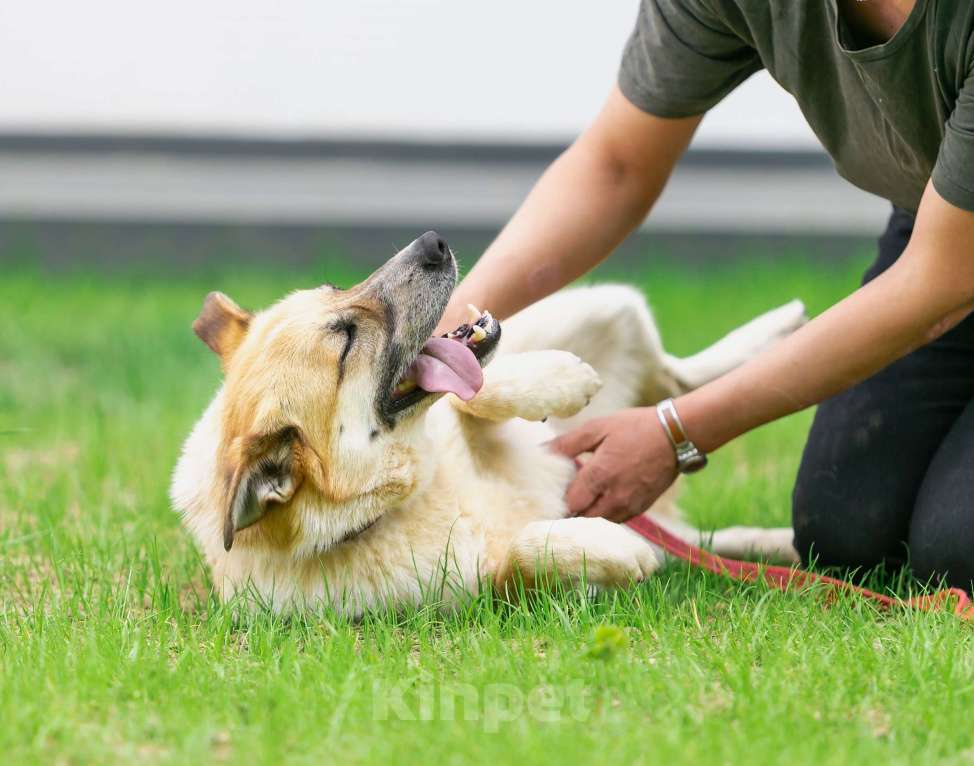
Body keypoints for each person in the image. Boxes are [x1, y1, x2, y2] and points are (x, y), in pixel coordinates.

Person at [434, 0, 974, 590]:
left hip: (947, 260)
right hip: (947, 223)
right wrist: (442, 338)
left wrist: (674, 430)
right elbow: (615, 165)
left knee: (958, 546)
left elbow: (935, 282)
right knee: (847, 525)